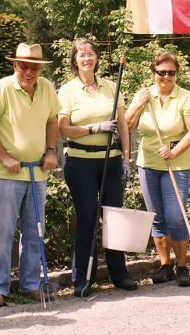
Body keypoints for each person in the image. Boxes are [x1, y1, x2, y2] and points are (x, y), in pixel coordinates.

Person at [0, 43, 60, 307]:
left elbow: (53, 120)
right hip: (6, 175)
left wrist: (50, 150)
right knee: (2, 233)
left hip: (37, 171)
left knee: (35, 231)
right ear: (14, 65)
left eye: (34, 67)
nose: (29, 71)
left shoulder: (46, 87)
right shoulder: (3, 88)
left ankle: (30, 285)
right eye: (23, 66)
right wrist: (4, 156)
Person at [58, 39, 137, 297]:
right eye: (81, 54)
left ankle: (119, 273)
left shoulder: (111, 88)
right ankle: (83, 277)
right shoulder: (67, 91)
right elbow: (64, 129)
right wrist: (95, 128)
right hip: (80, 162)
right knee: (87, 218)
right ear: (74, 60)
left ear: (96, 58)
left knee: (114, 216)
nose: (87, 58)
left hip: (110, 160)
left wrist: (126, 159)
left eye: (91, 53)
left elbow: (123, 126)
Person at [125, 53, 190, 287]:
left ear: (176, 74)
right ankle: (165, 265)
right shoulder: (145, 96)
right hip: (148, 165)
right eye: (161, 72)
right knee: (157, 218)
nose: (166, 76)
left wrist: (174, 152)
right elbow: (126, 125)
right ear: (153, 73)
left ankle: (183, 266)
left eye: (171, 72)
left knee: (176, 217)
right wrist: (137, 103)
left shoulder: (186, 98)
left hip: (175, 166)